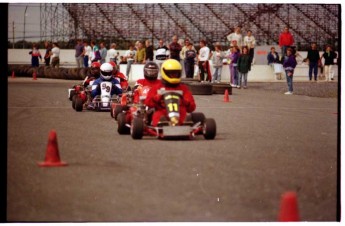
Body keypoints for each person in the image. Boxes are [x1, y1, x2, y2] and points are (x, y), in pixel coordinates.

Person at [145, 59, 196, 126]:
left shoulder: (183, 88)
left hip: (180, 111)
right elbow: (148, 102)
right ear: (164, 72)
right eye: (171, 73)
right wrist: (157, 97)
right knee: (158, 116)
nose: (174, 75)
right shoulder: (157, 87)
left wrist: (185, 101)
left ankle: (185, 124)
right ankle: (163, 125)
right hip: (162, 111)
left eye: (176, 73)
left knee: (185, 116)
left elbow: (192, 107)